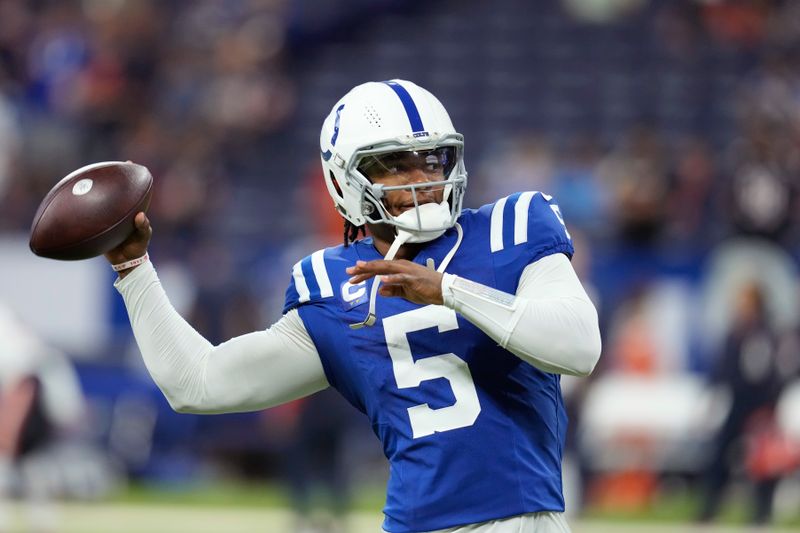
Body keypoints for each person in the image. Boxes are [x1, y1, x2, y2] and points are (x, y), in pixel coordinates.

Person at [106, 79, 602, 533]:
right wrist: (133, 271)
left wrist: (447, 289)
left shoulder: (512, 227)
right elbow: (199, 382)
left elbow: (579, 348)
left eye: (432, 160)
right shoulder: (331, 283)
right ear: (344, 181)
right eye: (393, 165)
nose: (420, 179)